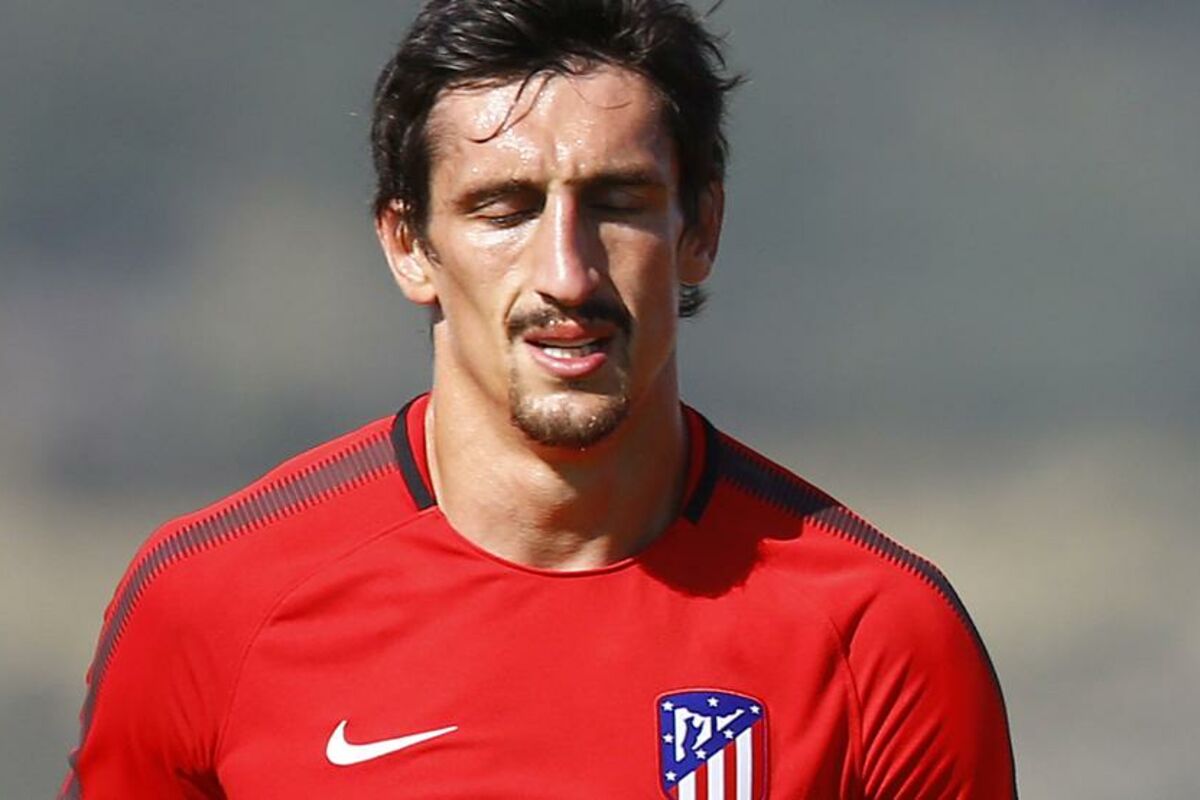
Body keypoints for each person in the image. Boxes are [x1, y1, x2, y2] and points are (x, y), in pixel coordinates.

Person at [61, 1, 1016, 797]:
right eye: (504, 209)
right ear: (408, 245)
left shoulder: (881, 639)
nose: (567, 273)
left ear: (700, 229)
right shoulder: (210, 609)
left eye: (617, 202)